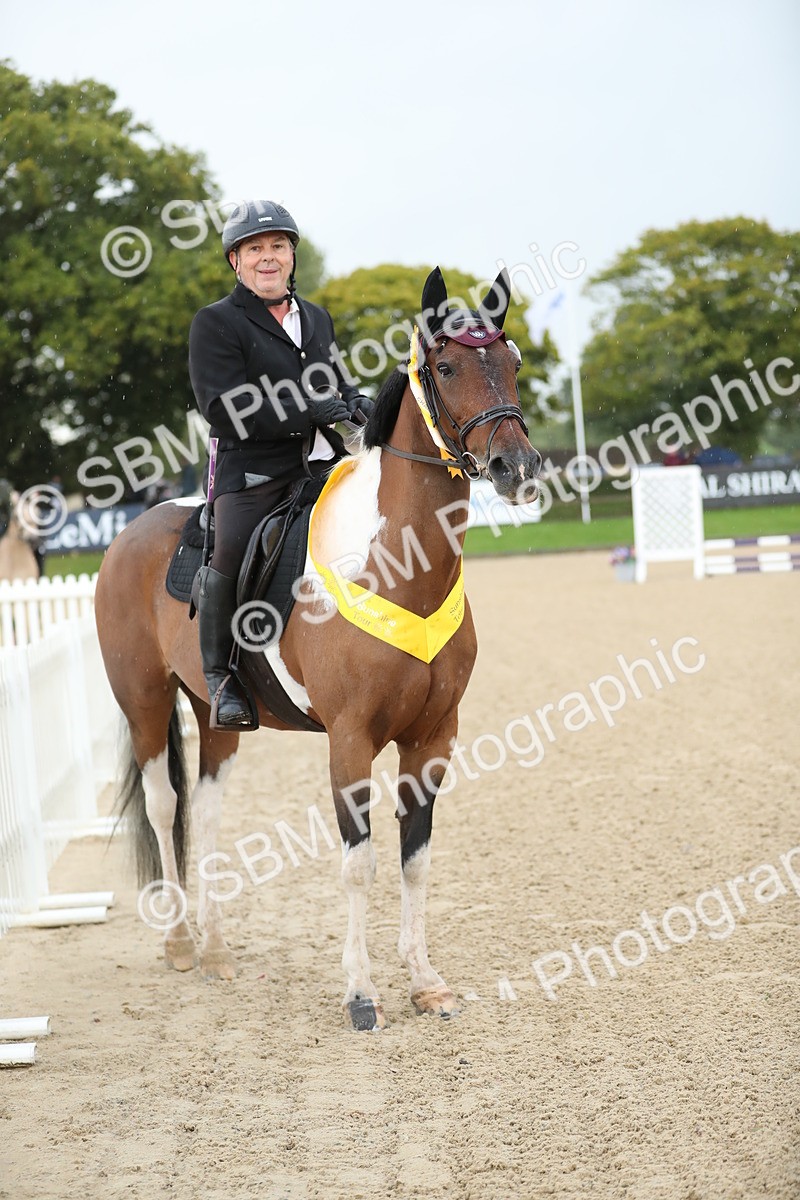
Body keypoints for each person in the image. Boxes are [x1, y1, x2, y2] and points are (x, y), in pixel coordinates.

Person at [188, 200, 373, 730]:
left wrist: (359, 404)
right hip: (252, 474)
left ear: (291, 255)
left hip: (320, 466)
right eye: (254, 249)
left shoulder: (315, 318)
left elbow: (335, 381)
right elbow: (224, 407)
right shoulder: (216, 323)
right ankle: (221, 676)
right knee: (233, 546)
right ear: (236, 262)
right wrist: (308, 408)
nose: (267, 257)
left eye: (277, 246)